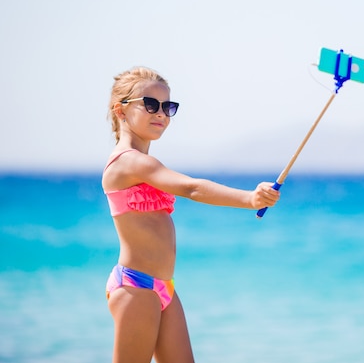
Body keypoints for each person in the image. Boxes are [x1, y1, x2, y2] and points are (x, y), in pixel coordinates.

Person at [102, 66, 280, 363]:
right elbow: (192, 188)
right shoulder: (128, 163)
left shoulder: (144, 163)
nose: (161, 113)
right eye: (150, 104)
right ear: (121, 111)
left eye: (168, 107)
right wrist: (249, 199)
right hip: (136, 287)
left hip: (164, 287)